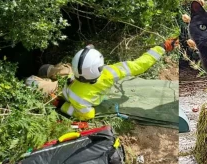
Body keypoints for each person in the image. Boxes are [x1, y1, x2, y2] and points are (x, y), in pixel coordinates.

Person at [36, 38, 179, 121]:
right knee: (39, 82)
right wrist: (162, 47)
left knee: (41, 79)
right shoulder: (110, 73)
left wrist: (61, 103)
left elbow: (86, 114)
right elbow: (140, 64)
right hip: (64, 88)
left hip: (67, 84)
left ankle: (47, 72)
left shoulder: (79, 84)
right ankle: (45, 74)